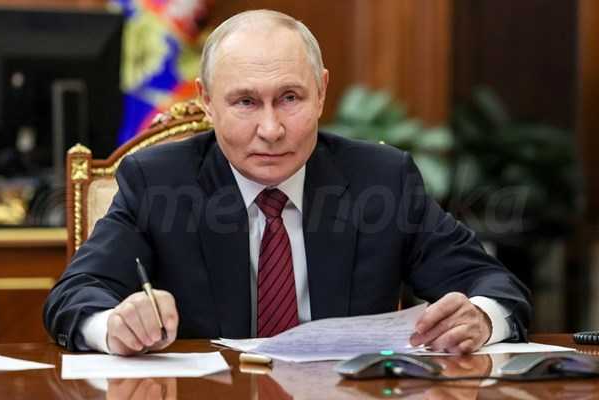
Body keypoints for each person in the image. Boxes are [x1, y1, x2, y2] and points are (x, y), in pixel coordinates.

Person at [43, 9, 532, 356]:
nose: (272, 129)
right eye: (245, 102)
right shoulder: (157, 182)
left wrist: (481, 317)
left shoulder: (381, 180)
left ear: (321, 92)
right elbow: (75, 294)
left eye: (290, 98)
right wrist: (114, 325)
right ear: (207, 102)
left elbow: (494, 286)